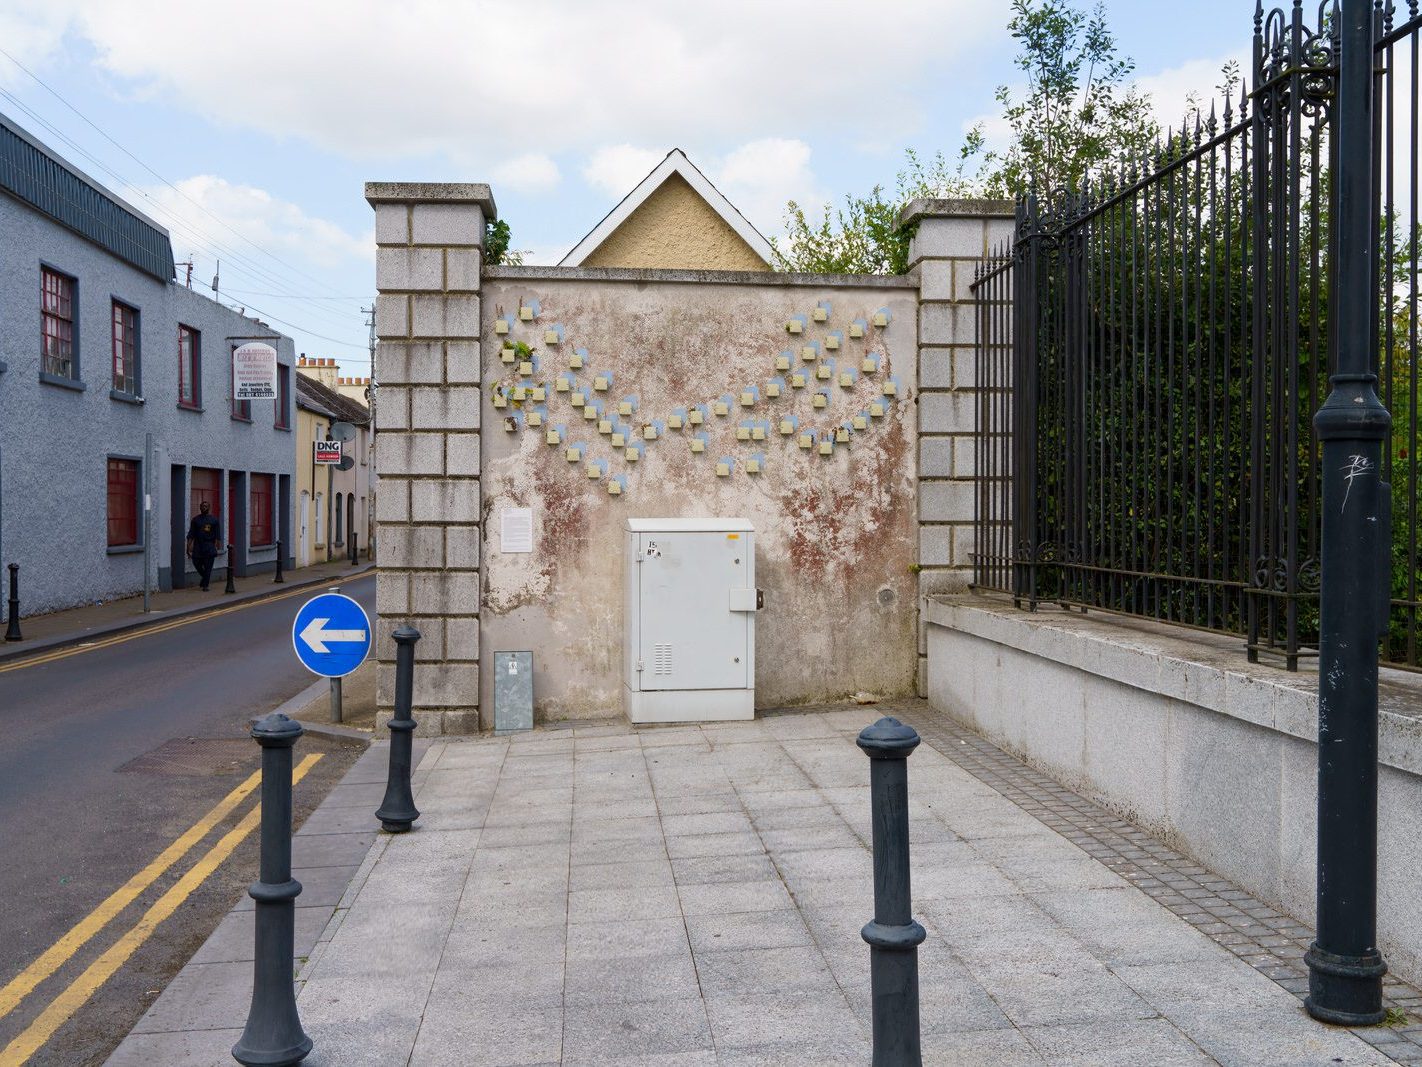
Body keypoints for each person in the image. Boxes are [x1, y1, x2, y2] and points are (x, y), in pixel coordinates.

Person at [185, 501, 224, 591]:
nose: (204, 508)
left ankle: (205, 585)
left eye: (206, 506)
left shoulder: (214, 520)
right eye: (202, 506)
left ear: (209, 508)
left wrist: (217, 548)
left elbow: (218, 536)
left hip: (209, 546)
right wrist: (188, 547)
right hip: (198, 546)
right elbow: (191, 534)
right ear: (200, 507)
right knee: (196, 563)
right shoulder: (195, 520)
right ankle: (205, 578)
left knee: (208, 567)